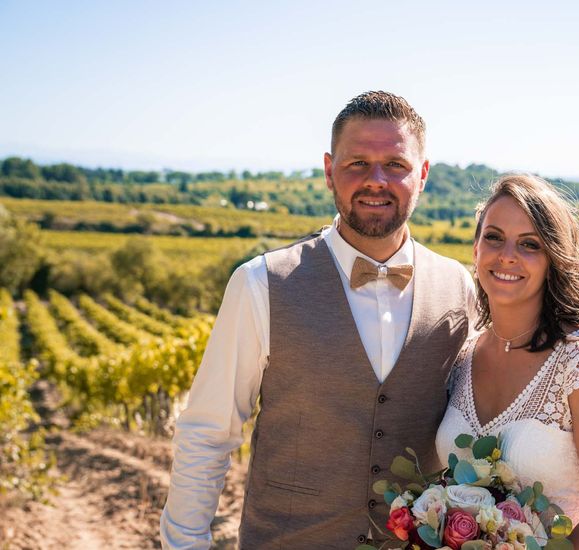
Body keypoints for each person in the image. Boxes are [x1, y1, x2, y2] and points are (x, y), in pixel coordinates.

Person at [160, 91, 475, 549]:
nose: (376, 180)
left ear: (423, 174)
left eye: (396, 164)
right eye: (358, 164)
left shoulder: (459, 288)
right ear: (329, 171)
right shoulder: (260, 283)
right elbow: (208, 433)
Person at [436, 174, 579, 549]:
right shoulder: (461, 356)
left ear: (555, 259)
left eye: (530, 244)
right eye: (494, 237)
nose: (507, 256)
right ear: (475, 248)